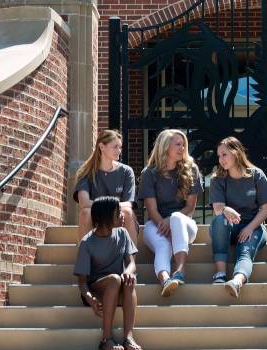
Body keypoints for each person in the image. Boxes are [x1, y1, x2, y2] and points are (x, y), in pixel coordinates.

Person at [138, 129, 204, 297]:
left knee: (176, 217)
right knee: (163, 245)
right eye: (178, 144)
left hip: (184, 226)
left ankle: (180, 271)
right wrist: (164, 224)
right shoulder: (149, 173)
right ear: (165, 147)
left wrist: (171, 223)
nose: (182, 148)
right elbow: (151, 209)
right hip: (157, 224)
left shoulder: (192, 170)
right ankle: (166, 280)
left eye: (183, 145)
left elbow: (190, 208)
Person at [209, 137, 267, 298]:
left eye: (224, 154)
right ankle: (220, 274)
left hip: (253, 226)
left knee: (245, 252)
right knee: (219, 220)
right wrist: (226, 210)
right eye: (219, 156)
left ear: (236, 153)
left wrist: (250, 227)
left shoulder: (256, 175)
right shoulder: (217, 179)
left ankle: (236, 282)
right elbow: (217, 209)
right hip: (227, 228)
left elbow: (266, 208)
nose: (221, 159)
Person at [73, 196, 141, 350]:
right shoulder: (87, 243)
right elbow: (82, 282)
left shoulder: (123, 234)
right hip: (96, 291)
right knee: (115, 279)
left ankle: (128, 338)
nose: (122, 216)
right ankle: (106, 340)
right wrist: (90, 298)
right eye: (118, 213)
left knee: (129, 279)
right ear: (106, 217)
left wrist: (129, 272)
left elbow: (131, 263)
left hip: (116, 289)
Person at [73, 130, 139, 242]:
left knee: (127, 211)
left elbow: (129, 203)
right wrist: (109, 208)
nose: (119, 151)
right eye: (115, 147)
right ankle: (84, 258)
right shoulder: (86, 172)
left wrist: (112, 210)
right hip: (96, 218)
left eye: (120, 147)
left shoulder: (126, 171)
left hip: (119, 216)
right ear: (102, 147)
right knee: (85, 213)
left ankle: (131, 258)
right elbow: (84, 203)